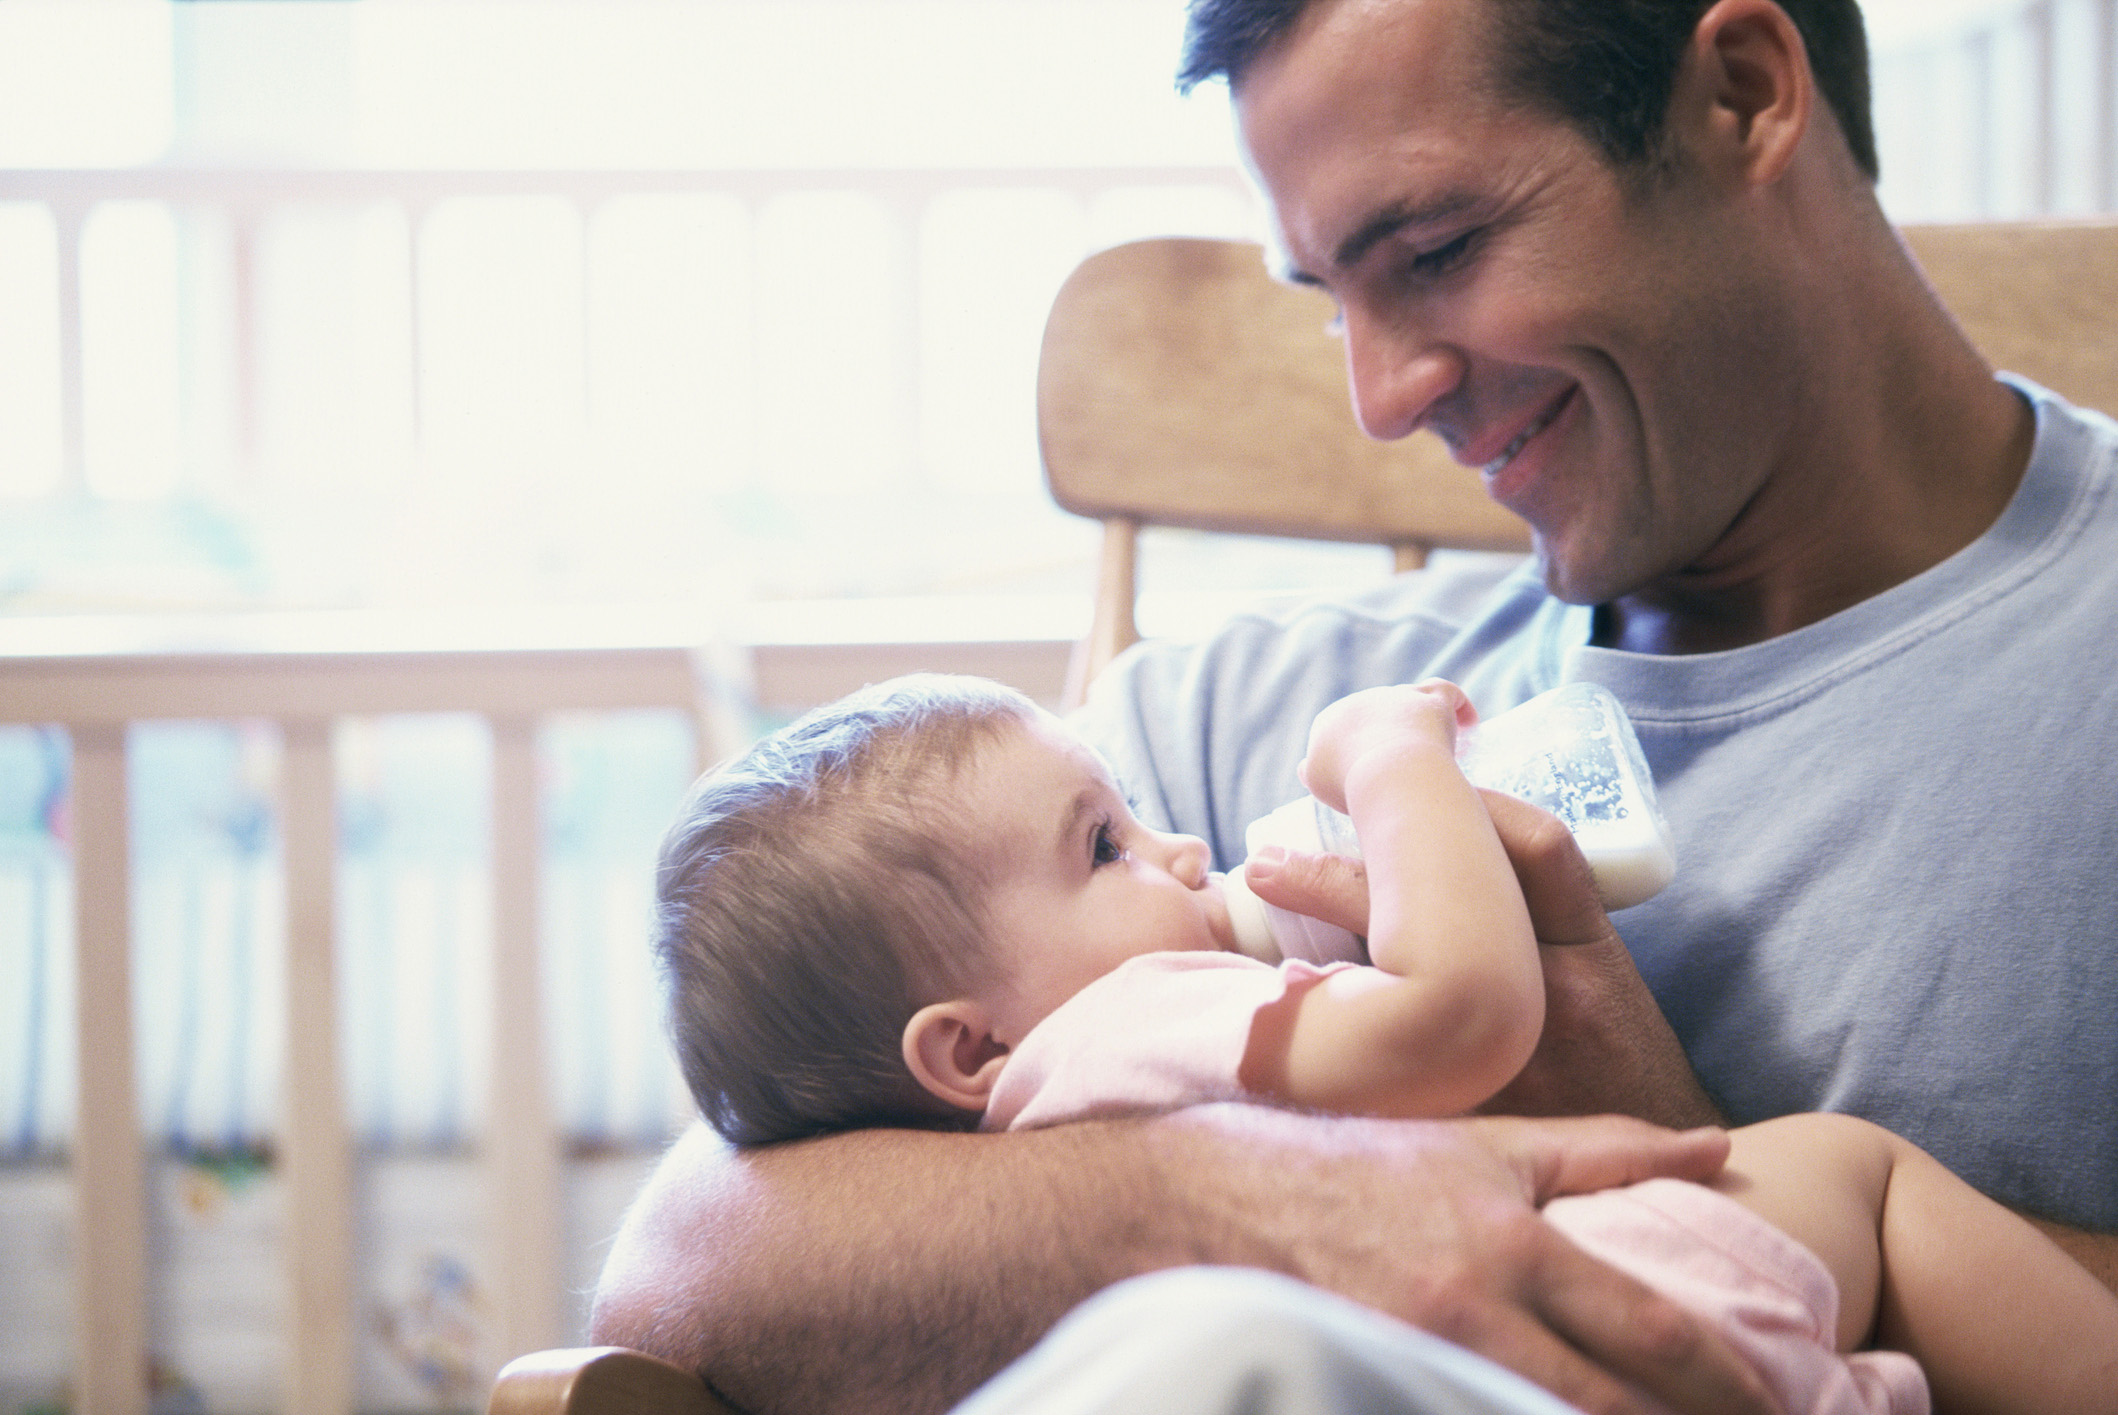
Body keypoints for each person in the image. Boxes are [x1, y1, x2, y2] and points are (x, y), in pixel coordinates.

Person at [592, 1, 2118, 1410]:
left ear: (1740, 95)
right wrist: (1239, 1199)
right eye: (1332, 296)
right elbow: (684, 1269)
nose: (1380, 397)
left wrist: (1662, 1154)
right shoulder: (1212, 727)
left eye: (1438, 247)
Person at [651, 669, 2117, 1412]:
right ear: (964, 1054)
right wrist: (1389, 760)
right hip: (1551, 1331)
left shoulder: (1087, 1075)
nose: (1175, 851)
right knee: (1840, 1169)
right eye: (1102, 844)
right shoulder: (1129, 1025)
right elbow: (1459, 1019)